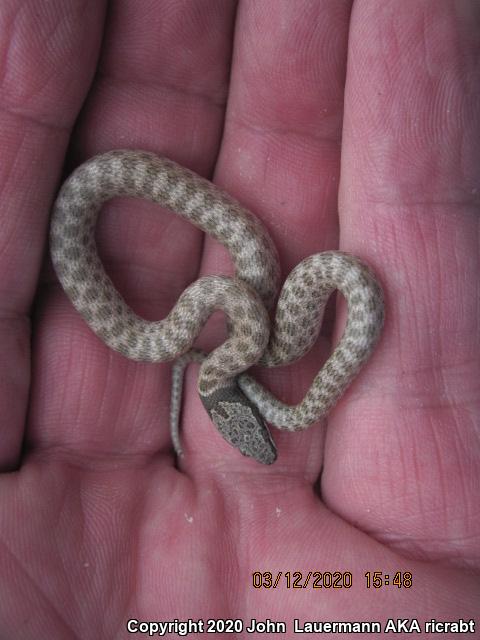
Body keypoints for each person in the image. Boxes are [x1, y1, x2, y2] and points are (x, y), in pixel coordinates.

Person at [0, 1, 478, 636]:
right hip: (220, 318)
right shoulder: (221, 334)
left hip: (242, 322)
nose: (266, 430)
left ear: (229, 401)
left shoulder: (239, 335)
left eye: (258, 421)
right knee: (259, 326)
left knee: (269, 324)